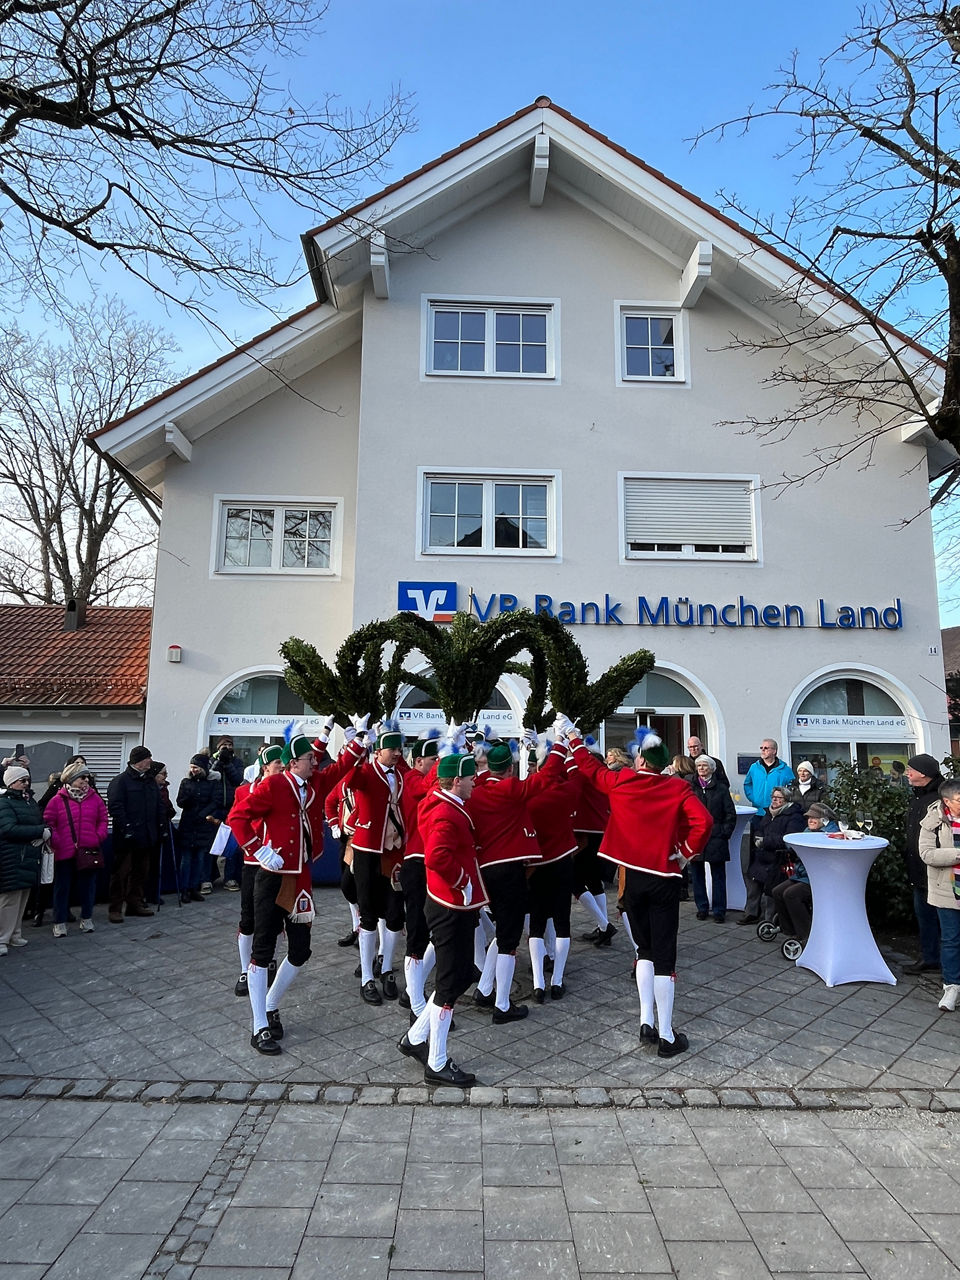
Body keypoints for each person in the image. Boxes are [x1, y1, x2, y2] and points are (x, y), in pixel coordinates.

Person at [559, 720, 712, 1058]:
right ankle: (667, 1035)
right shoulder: (677, 788)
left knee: (644, 950)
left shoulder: (621, 781)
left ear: (641, 760)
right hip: (664, 878)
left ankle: (646, 1021)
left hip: (633, 879)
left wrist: (571, 736)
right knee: (665, 958)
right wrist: (686, 852)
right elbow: (704, 822)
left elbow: (588, 767)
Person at [231, 725, 359, 1055]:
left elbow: (341, 767)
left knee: (301, 950)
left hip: (300, 877)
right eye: (308, 758)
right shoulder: (274, 784)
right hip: (272, 877)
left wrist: (359, 739)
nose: (315, 762)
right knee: (263, 950)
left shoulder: (313, 783)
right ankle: (259, 1024)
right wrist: (258, 848)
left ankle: (271, 1003)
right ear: (292, 763)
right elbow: (238, 817)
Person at [397, 752, 487, 1085]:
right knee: (449, 983)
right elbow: (437, 856)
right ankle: (436, 1063)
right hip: (450, 905)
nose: (475, 781)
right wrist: (462, 881)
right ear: (457, 781)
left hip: (451, 904)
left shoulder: (443, 803)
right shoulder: (446, 812)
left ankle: (416, 1038)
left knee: (460, 975)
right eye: (471, 777)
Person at [468, 734, 566, 1023]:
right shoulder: (510, 789)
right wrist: (558, 743)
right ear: (510, 769)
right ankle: (501, 1005)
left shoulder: (477, 786)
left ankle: (485, 989)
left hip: (485, 866)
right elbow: (547, 775)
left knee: (503, 931)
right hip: (508, 869)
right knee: (509, 939)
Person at [345, 725, 410, 1005]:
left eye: (399, 749)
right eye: (391, 749)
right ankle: (366, 978)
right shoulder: (367, 772)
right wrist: (358, 744)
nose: (396, 753)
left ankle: (386, 969)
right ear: (378, 750)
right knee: (368, 912)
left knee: (395, 913)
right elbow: (347, 777)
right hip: (367, 850)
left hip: (394, 852)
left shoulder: (403, 773)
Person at [226, 744, 284, 997]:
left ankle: (269, 960)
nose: (282, 768)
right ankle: (244, 969)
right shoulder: (244, 791)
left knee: (276, 918)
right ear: (265, 767)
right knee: (248, 918)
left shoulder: (288, 789)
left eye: (284, 764)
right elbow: (236, 820)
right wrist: (256, 848)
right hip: (252, 863)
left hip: (278, 864)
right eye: (278, 764)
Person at [526, 739, 579, 1000]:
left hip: (536, 864)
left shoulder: (529, 793)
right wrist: (567, 754)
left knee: (536, 924)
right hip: (562, 862)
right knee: (562, 923)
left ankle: (537, 982)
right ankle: (557, 980)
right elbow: (577, 775)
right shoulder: (568, 791)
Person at [398, 736, 441, 1019]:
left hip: (432, 862)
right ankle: (414, 1001)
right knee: (416, 931)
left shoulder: (426, 778)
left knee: (433, 929)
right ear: (418, 762)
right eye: (433, 761)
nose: (436, 766)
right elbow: (425, 787)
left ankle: (413, 989)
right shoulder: (412, 780)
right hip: (415, 861)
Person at [44, 761, 108, 936]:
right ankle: (59, 921)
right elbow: (49, 823)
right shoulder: (57, 800)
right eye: (82, 777)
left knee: (88, 887)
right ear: (71, 779)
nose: (86, 781)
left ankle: (87, 918)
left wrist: (98, 836)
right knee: (62, 888)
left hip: (88, 850)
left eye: (87, 777)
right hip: (64, 852)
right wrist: (58, 841)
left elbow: (103, 819)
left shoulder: (95, 798)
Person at [106, 747, 163, 922]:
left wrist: (161, 827)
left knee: (141, 872)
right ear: (138, 760)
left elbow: (158, 805)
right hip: (126, 837)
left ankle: (134, 903)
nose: (150, 762)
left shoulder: (149, 781)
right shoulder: (121, 781)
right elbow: (116, 807)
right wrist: (127, 828)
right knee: (121, 873)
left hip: (146, 836)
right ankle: (115, 908)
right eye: (148, 758)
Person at [918, 778, 960, 1012]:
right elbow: (927, 854)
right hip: (947, 888)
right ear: (947, 801)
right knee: (952, 939)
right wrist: (957, 855)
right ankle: (951, 987)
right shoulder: (933, 820)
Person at [770, 802, 838, 945]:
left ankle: (806, 934)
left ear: (824, 820)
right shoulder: (808, 831)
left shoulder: (831, 835)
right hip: (802, 875)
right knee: (777, 891)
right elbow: (792, 844)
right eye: (809, 818)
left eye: (815, 818)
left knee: (791, 894)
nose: (811, 820)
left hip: (819, 878)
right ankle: (789, 929)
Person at [903, 753, 944, 975]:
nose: (907, 773)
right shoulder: (918, 796)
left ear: (924, 774)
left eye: (911, 770)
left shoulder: (939, 798)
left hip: (935, 868)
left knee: (943, 919)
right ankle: (930, 959)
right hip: (918, 868)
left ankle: (945, 962)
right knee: (924, 916)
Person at [742, 786, 806, 924]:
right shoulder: (768, 813)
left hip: (780, 857)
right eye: (773, 797)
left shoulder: (794, 816)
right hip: (763, 854)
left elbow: (789, 838)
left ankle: (770, 919)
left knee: (772, 884)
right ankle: (751, 912)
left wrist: (766, 841)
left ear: (786, 800)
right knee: (752, 878)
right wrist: (758, 837)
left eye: (779, 798)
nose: (775, 800)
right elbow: (759, 829)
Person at [0, 766, 45, 954]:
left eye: (27, 780)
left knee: (23, 896)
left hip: (28, 855)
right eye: (22, 780)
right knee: (9, 900)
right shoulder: (4, 803)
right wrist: (39, 831)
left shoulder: (29, 801)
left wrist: (44, 830)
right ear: (11, 782)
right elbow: (7, 829)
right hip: (11, 856)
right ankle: (2, 938)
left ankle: (15, 934)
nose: (26, 784)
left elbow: (38, 820)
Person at [688, 755, 736, 923]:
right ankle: (702, 907)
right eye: (699, 765)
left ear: (712, 768)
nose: (701, 768)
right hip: (696, 836)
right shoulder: (691, 787)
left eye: (705, 765)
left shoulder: (721, 788)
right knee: (697, 874)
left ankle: (719, 910)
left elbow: (730, 814)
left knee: (718, 875)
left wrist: (724, 832)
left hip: (716, 837)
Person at [176, 754, 227, 902]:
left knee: (200, 859)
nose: (194, 770)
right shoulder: (186, 782)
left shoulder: (212, 784)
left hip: (203, 825)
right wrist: (188, 800)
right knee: (186, 859)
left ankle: (194, 887)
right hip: (188, 825)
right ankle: (184, 889)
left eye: (196, 767)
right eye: (192, 767)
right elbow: (180, 801)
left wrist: (203, 814)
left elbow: (215, 801)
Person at [743, 740, 795, 821]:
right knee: (757, 833)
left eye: (766, 748)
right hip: (758, 811)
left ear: (774, 751)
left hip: (777, 812)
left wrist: (783, 800)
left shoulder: (785, 770)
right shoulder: (754, 767)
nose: (763, 750)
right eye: (761, 748)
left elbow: (792, 788)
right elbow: (747, 784)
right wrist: (754, 798)